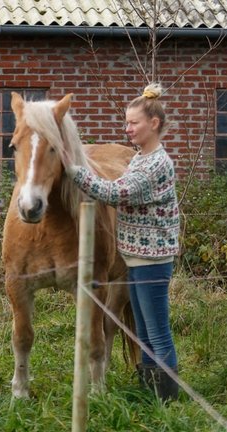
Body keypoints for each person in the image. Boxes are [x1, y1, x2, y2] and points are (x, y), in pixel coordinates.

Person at [62, 83, 181, 401]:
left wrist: (73, 169)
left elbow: (116, 193)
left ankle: (166, 399)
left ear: (153, 124)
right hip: (136, 257)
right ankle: (150, 392)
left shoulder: (155, 164)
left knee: (157, 332)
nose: (127, 129)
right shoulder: (140, 159)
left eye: (133, 123)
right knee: (143, 332)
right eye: (126, 122)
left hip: (152, 260)